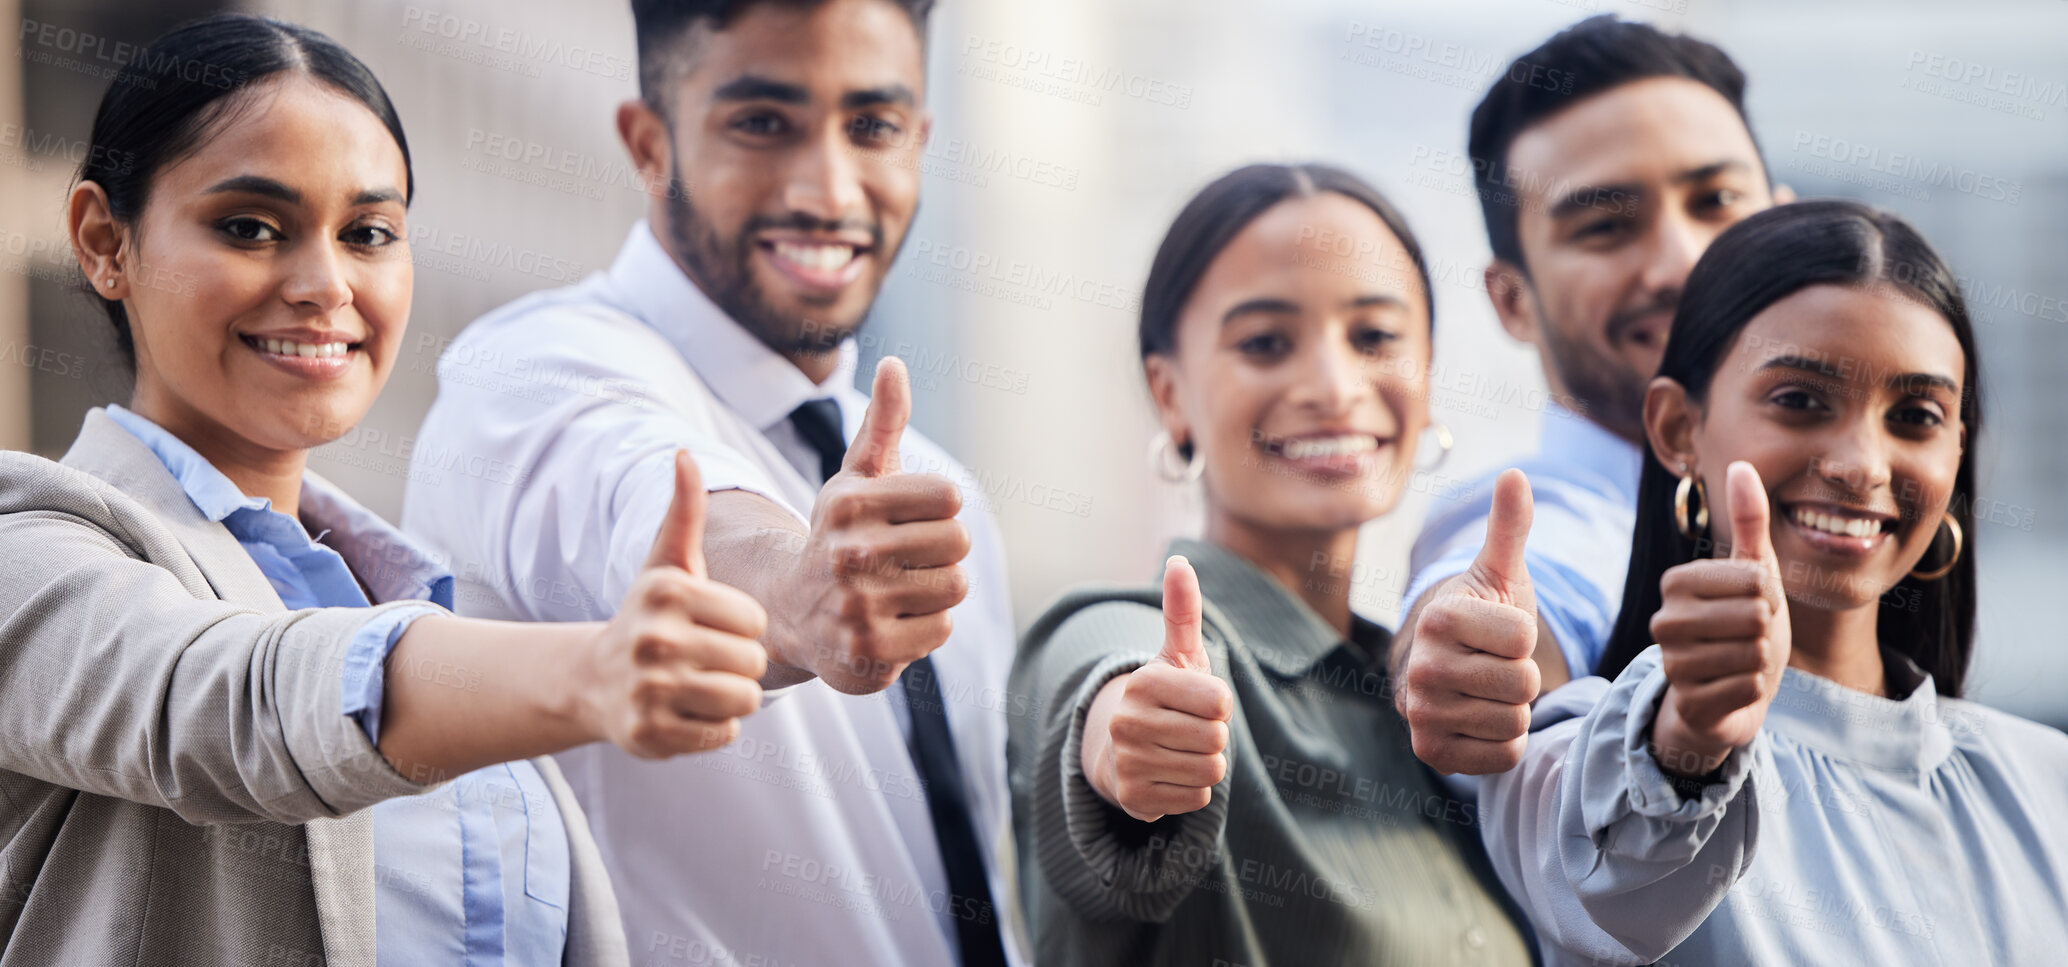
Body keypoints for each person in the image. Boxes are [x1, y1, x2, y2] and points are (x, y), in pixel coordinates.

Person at [0, 15, 772, 966]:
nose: (326, 284)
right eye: (249, 227)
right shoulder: (27, 552)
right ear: (103, 241)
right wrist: (589, 669)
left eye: (368, 233)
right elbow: (233, 703)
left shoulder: (415, 594)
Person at [401, 0, 1021, 964]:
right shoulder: (531, 374)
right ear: (649, 145)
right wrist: (795, 589)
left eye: (873, 126)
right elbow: (660, 511)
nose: (828, 188)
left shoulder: (946, 495)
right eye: (763, 122)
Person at [1477, 199, 2068, 965]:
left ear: (1958, 452)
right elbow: (1610, 875)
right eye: (1799, 400)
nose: (1860, 464)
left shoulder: (2044, 777)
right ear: (1678, 428)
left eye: (1917, 415)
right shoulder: (1576, 753)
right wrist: (1687, 745)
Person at [1007, 163, 1532, 966]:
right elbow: (1106, 687)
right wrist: (1128, 740)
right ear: (1169, 393)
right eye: (1264, 343)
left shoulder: (1426, 700)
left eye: (1375, 337)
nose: (1334, 386)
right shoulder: (1130, 635)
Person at [1391, 15, 1792, 776]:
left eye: (1716, 200)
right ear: (1513, 301)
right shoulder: (1553, 520)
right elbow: (1503, 597)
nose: (1682, 263)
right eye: (1606, 225)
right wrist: (1458, 659)